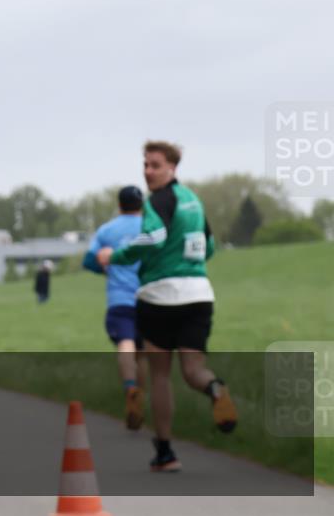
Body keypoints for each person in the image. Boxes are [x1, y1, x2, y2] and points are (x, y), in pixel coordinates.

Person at [98, 141, 237, 472]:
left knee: (160, 375)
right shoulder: (194, 201)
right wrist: (187, 263)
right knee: (193, 371)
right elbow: (210, 247)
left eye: (155, 165)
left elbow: (154, 238)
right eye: (145, 165)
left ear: (172, 168)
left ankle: (165, 452)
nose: (148, 171)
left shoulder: (157, 201)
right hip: (199, 295)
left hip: (159, 296)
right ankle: (215, 388)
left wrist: (116, 256)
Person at [83, 185, 147, 430]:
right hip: (149, 297)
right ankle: (140, 399)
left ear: (119, 205)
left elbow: (89, 260)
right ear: (142, 205)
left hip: (119, 298)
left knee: (125, 343)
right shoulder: (150, 227)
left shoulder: (107, 230)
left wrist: (107, 269)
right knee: (143, 351)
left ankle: (130, 388)